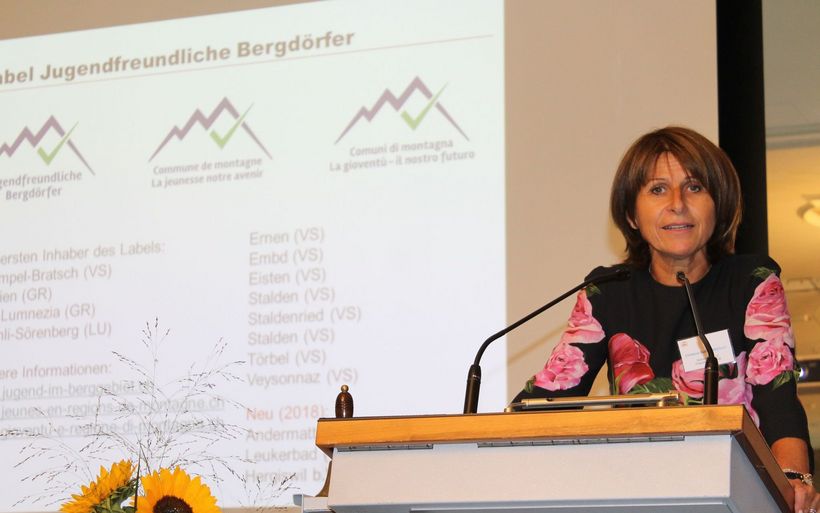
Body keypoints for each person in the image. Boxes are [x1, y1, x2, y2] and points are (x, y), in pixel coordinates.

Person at [513, 126, 818, 513]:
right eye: (657, 189)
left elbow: (777, 397)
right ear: (631, 214)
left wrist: (793, 479)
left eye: (694, 187)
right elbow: (550, 396)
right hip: (638, 493)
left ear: (718, 204)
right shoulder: (609, 293)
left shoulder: (750, 283)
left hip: (736, 490)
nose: (678, 204)